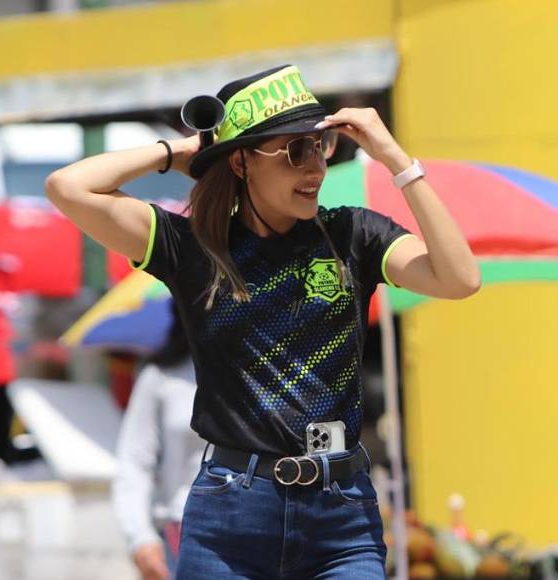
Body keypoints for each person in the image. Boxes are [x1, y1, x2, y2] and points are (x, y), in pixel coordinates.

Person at [46, 64, 479, 578]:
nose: (314, 168)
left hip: (342, 517)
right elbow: (67, 187)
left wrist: (395, 159)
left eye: (320, 146)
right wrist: (182, 153)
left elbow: (460, 279)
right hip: (230, 516)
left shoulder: (353, 235)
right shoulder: (193, 248)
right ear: (242, 162)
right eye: (295, 151)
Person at [112, 305, 203, 580]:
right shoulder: (161, 377)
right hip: (181, 535)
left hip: (258, 530)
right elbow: (134, 462)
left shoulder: (257, 372)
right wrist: (139, 538)